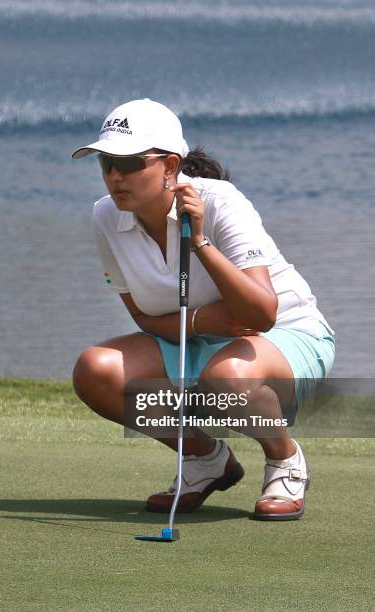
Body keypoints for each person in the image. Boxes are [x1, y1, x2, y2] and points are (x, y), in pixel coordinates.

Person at [71, 98, 335, 520]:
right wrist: (202, 321)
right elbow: (141, 316)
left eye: (132, 162)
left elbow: (261, 315)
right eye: (106, 163)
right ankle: (205, 459)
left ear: (171, 166)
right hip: (194, 339)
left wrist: (200, 243)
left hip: (286, 337)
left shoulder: (221, 201)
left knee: (226, 376)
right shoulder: (105, 217)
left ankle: (285, 458)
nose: (115, 176)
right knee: (95, 370)